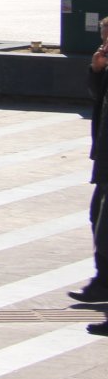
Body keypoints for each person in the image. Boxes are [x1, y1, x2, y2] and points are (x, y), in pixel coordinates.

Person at [70, 18, 108, 307]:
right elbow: (97, 99)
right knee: (98, 219)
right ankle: (101, 281)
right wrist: (96, 70)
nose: (104, 47)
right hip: (104, 158)